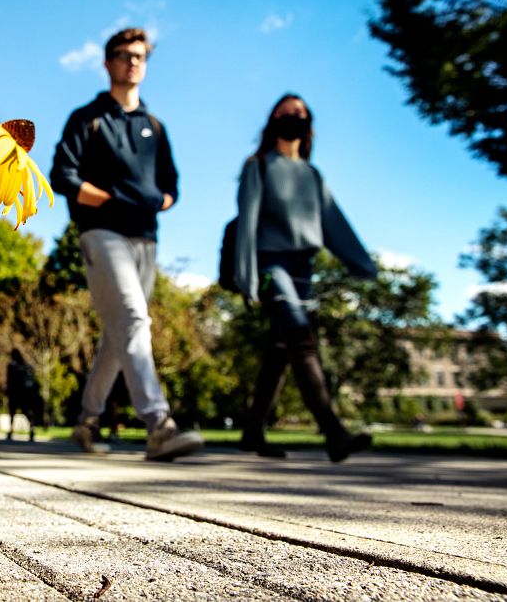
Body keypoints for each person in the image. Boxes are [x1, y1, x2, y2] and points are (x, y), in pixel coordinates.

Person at [49, 27, 204, 461]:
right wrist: (112, 199)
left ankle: (86, 422)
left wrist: (160, 202)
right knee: (135, 318)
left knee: (120, 334)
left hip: (146, 237)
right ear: (107, 63)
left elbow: (173, 185)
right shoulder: (88, 118)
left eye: (139, 55)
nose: (131, 61)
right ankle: (159, 424)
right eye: (122, 54)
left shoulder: (155, 125)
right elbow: (63, 177)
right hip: (101, 233)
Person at [234, 93, 377, 463]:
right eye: (285, 111)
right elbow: (246, 224)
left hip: (303, 269)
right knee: (301, 338)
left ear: (308, 122)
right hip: (270, 265)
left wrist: (361, 263)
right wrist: (246, 276)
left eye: (299, 112)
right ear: (272, 120)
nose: (292, 116)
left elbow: (333, 222)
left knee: (280, 352)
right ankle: (334, 432)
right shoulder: (259, 166)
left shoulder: (313, 175)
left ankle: (252, 432)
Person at [5, 348, 40, 442]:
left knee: (12, 413)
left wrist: (8, 391)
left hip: (15, 393)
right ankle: (32, 429)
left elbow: (9, 381)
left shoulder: (12, 366)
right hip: (26, 394)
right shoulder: (26, 365)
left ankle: (11, 431)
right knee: (26, 412)